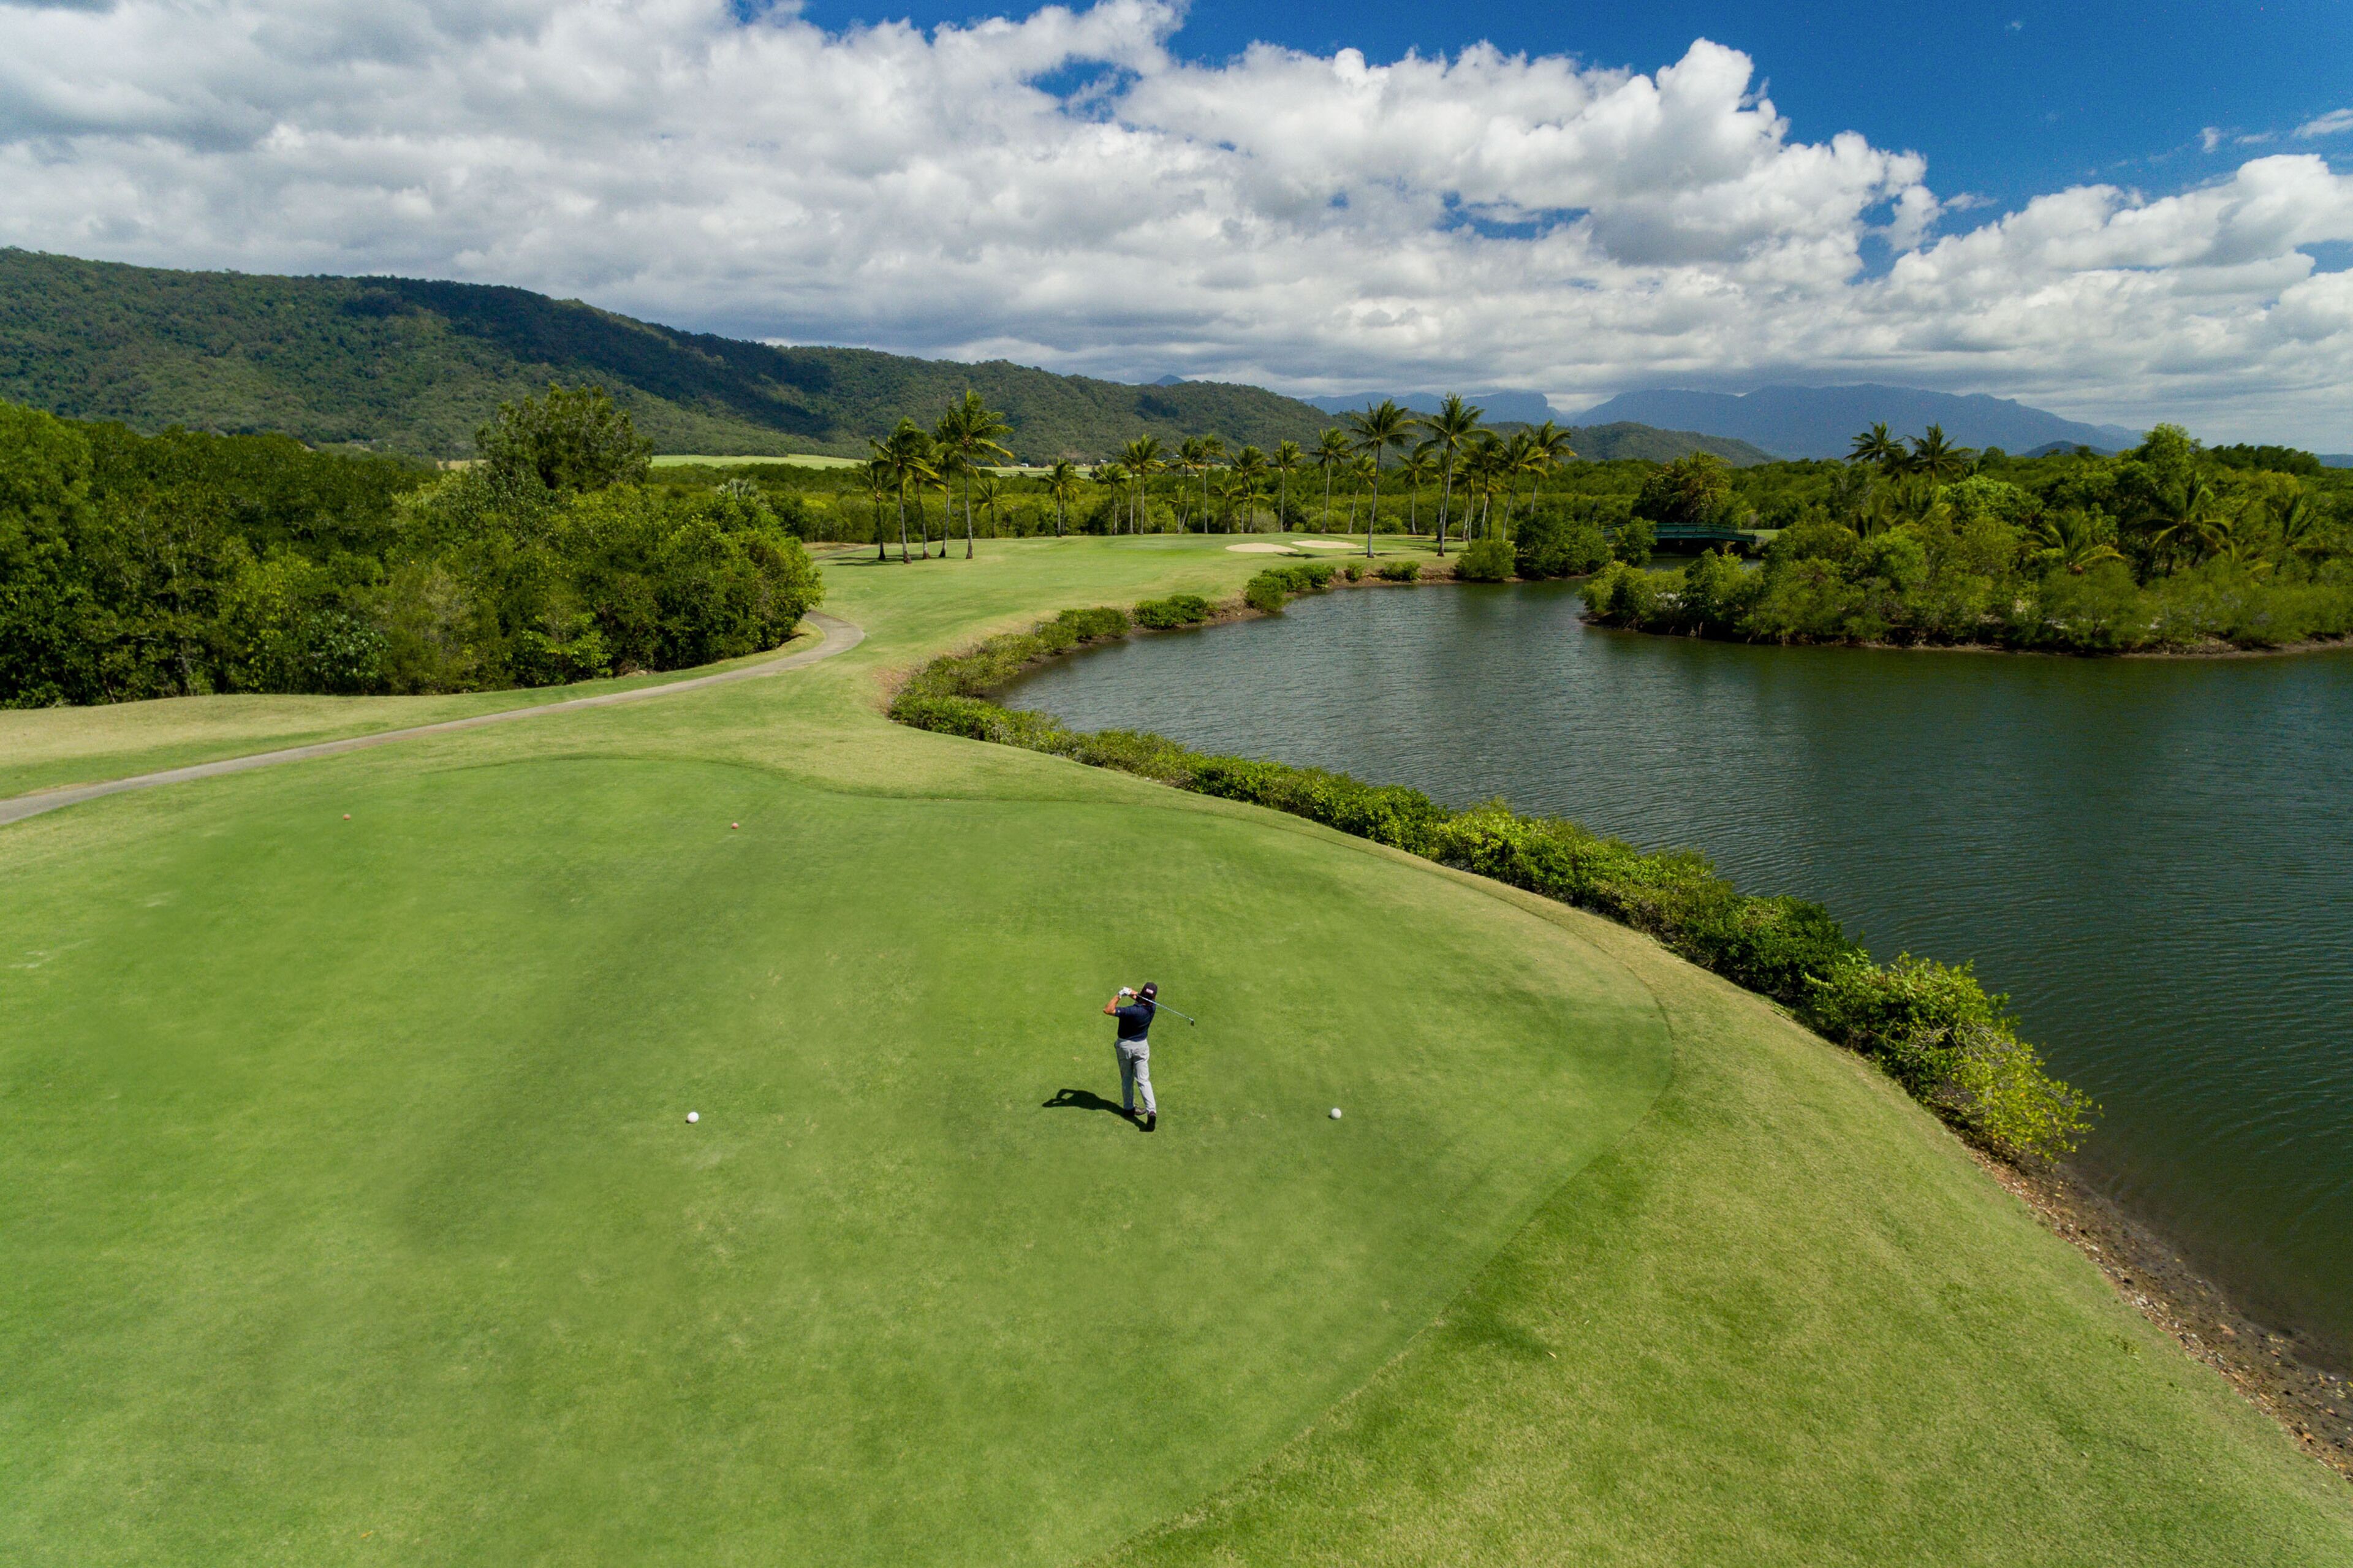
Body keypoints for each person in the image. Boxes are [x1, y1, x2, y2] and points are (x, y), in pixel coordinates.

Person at [1101, 982, 1159, 1131]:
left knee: (1127, 1078)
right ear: (1154, 997)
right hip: (1142, 1047)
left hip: (1125, 1047)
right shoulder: (1153, 1007)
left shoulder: (1131, 1011)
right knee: (1144, 1080)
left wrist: (1120, 995)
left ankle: (1128, 1109)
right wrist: (1130, 992)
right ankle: (1152, 1112)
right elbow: (1140, 998)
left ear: (1142, 993)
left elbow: (1108, 1010)